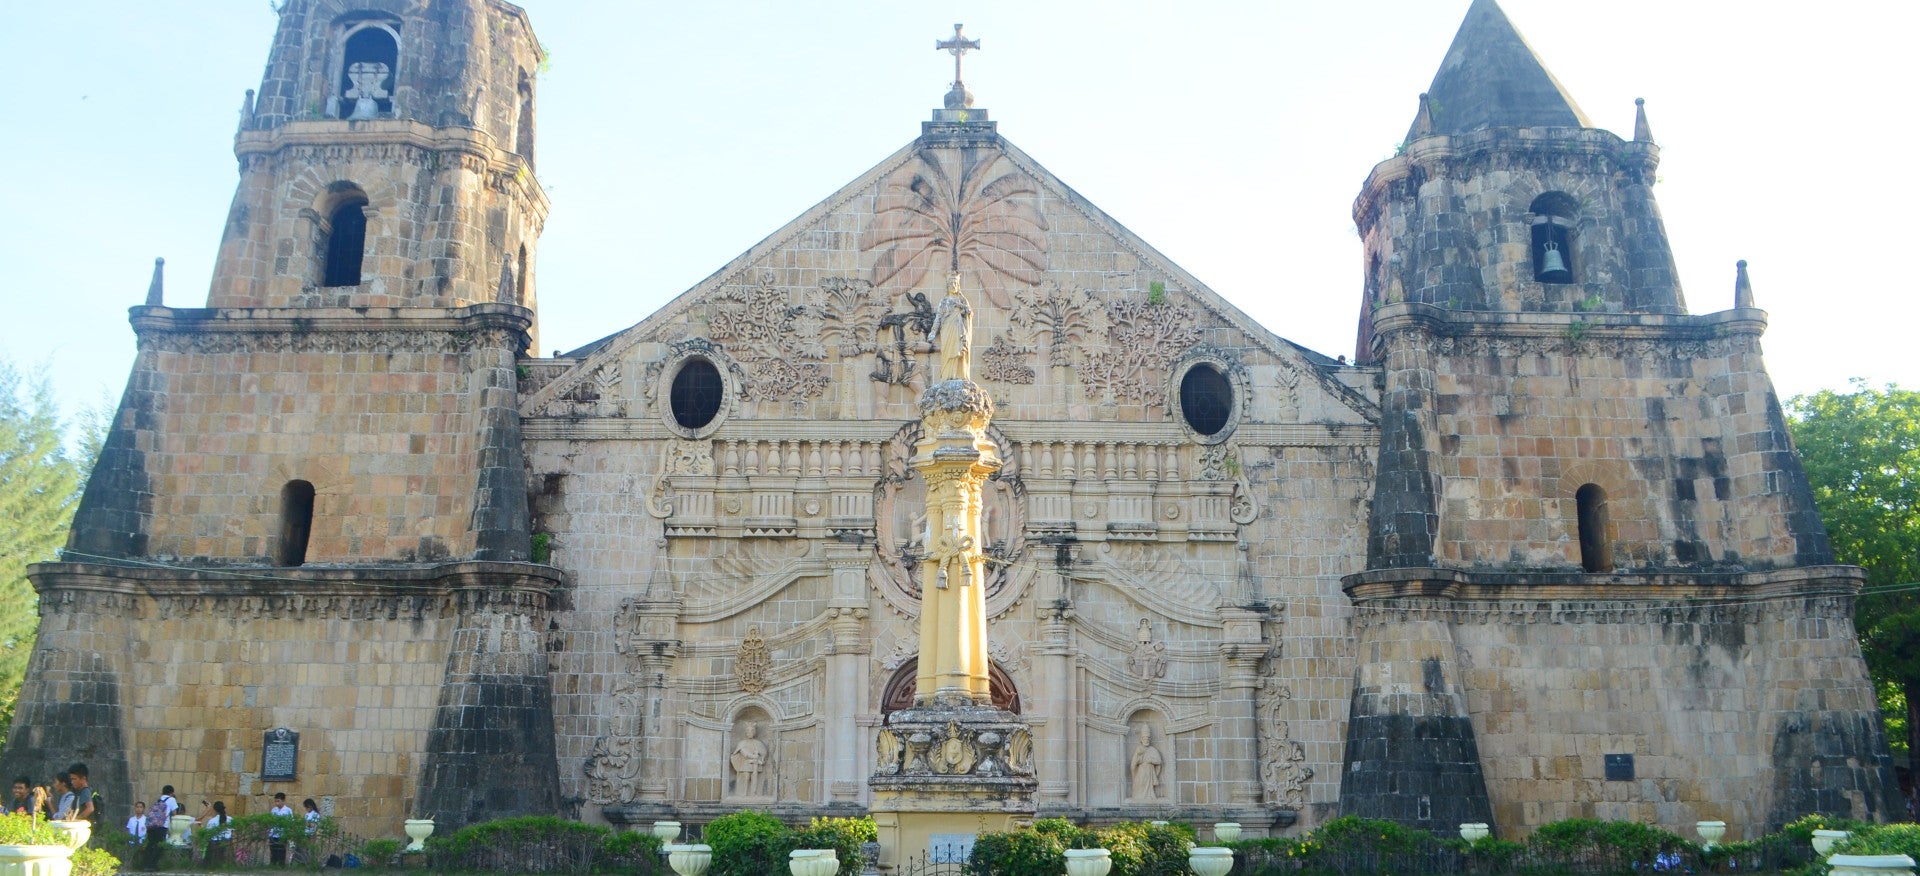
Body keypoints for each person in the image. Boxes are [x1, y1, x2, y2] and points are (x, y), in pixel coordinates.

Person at [66, 764, 98, 828]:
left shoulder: (85, 791)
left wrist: (76, 820)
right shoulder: (78, 791)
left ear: (83, 779)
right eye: (71, 779)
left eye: (74, 779)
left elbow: (90, 808)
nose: (72, 782)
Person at [204, 801, 233, 868]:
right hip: (227, 843)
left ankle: (208, 865)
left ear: (214, 810)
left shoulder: (212, 821)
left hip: (214, 844)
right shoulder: (230, 819)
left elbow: (208, 834)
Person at [269, 792, 294, 865]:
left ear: (283, 801)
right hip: (273, 833)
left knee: (281, 850)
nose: (277, 803)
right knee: (273, 850)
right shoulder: (274, 810)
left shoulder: (288, 810)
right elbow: (271, 820)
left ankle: (281, 865)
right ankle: (272, 864)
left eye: (278, 801)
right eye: (276, 801)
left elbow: (290, 822)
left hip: (282, 833)